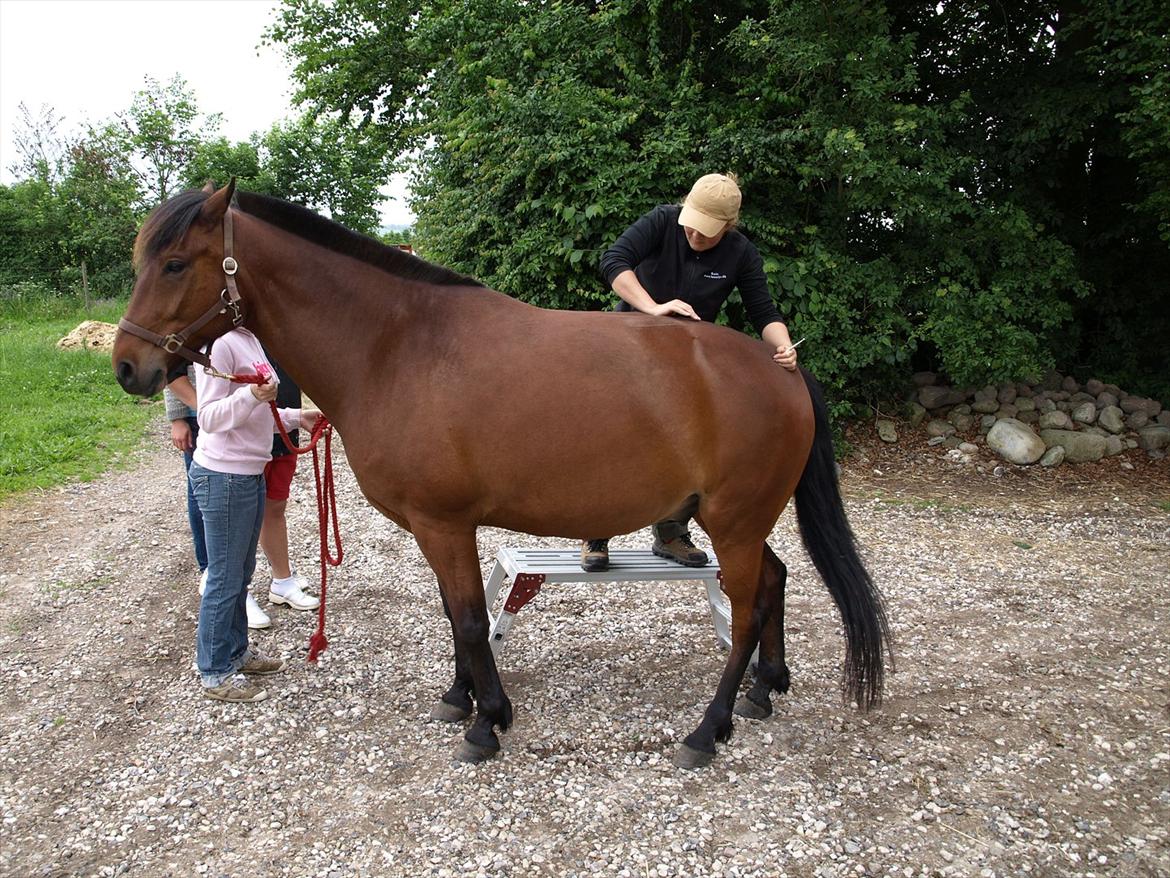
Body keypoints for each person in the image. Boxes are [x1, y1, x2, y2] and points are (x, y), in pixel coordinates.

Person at [581, 172, 799, 573]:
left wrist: (782, 345)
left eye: (708, 233)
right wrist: (652, 307)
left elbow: (764, 313)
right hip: (630, 346)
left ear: (728, 227)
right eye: (692, 226)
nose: (696, 236)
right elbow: (614, 261)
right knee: (611, 438)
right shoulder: (663, 221)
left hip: (687, 366)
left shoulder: (740, 253)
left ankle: (670, 532)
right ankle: (596, 532)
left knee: (687, 446)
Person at [189, 326, 321, 702]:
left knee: (241, 573)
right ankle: (214, 671)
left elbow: (260, 409)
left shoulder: (248, 338)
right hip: (225, 475)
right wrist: (250, 393)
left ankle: (236, 652)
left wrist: (297, 417)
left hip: (246, 473)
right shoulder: (218, 345)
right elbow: (209, 417)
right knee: (225, 576)